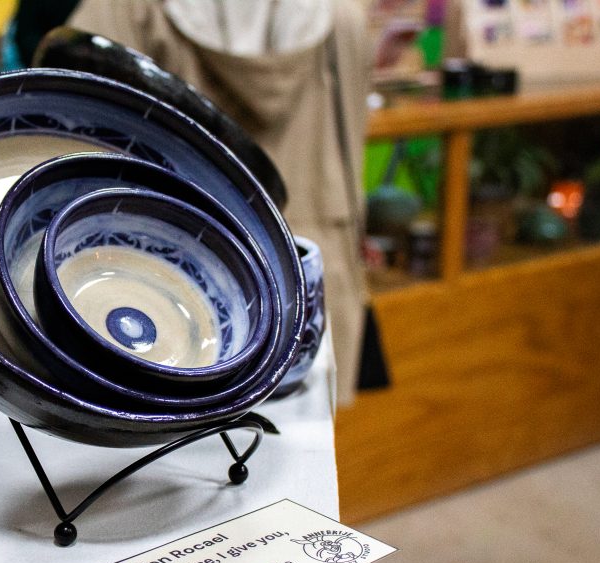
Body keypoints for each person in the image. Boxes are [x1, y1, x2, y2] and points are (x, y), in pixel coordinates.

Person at [67, 0, 374, 405]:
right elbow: (351, 145)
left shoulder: (126, 11)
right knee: (304, 445)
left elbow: (82, 134)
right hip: (312, 268)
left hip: (173, 278)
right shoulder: (344, 19)